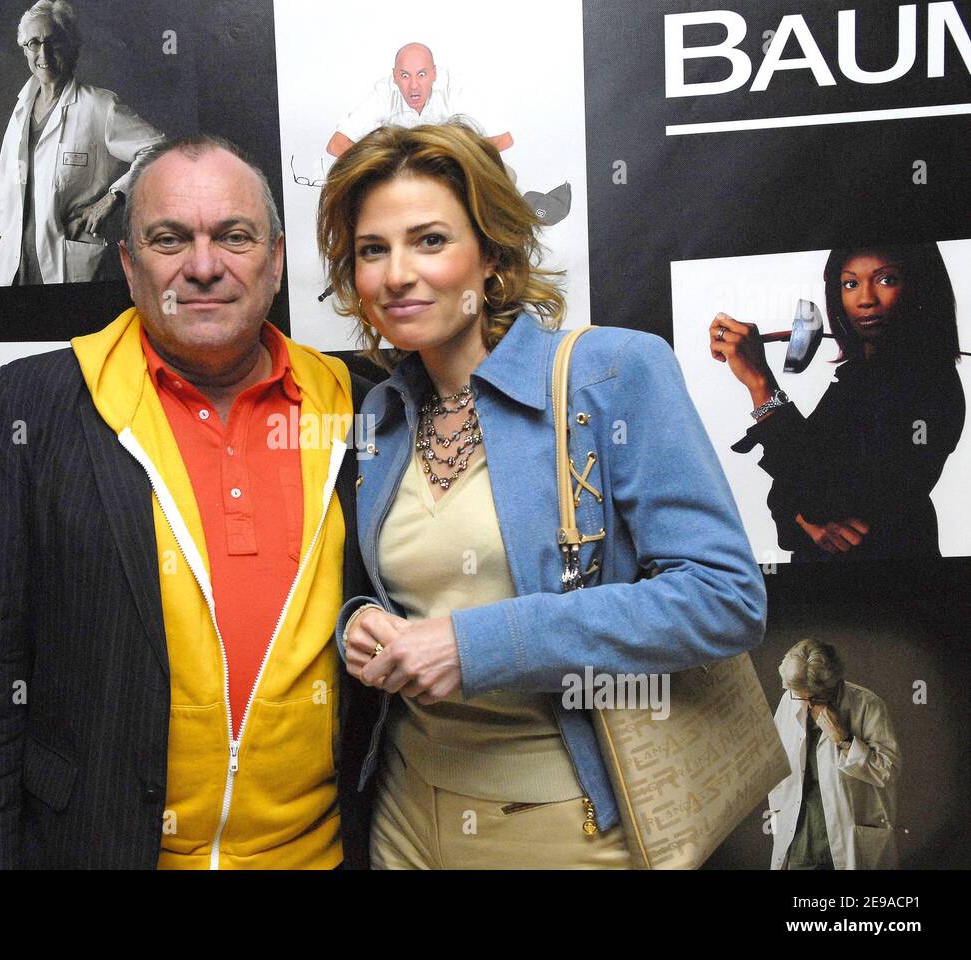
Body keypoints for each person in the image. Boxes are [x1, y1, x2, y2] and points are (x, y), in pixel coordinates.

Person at [316, 122, 766, 869]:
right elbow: (405, 597)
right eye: (372, 249)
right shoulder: (380, 416)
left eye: (430, 240)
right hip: (403, 815)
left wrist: (481, 644)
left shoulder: (612, 374)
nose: (397, 274)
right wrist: (363, 624)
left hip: (561, 824)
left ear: (490, 255)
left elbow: (726, 598)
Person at [0, 134, 381, 869]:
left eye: (232, 237)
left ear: (274, 260)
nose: (203, 267)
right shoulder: (37, 406)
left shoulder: (357, 409)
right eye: (169, 238)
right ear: (128, 263)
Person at [711, 244, 965, 560]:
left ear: (921, 288)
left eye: (886, 280)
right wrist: (806, 518)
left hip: (892, 584)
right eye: (850, 283)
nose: (865, 299)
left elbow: (821, 495)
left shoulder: (929, 383)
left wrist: (760, 382)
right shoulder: (858, 377)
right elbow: (787, 494)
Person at [0, 0, 166, 286]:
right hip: (14, 264)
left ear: (71, 45)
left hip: (68, 261)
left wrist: (112, 198)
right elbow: (4, 181)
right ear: (24, 49)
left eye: (53, 41)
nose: (43, 53)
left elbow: (159, 151)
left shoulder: (98, 107)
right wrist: (1, 239)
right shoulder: (21, 109)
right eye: (33, 43)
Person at [767, 640, 899, 870]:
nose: (806, 703)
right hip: (800, 836)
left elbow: (888, 770)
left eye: (814, 696)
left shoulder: (867, 704)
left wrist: (844, 739)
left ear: (833, 684)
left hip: (847, 835)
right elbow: (777, 760)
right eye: (800, 696)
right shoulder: (789, 701)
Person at [325, 43, 513, 159]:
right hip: (402, 174)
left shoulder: (454, 89)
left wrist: (460, 161)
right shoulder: (384, 92)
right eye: (405, 76)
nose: (414, 85)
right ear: (394, 77)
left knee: (504, 178)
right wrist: (378, 167)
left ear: (434, 74)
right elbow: (336, 144)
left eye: (422, 74)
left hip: (452, 167)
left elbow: (503, 139)